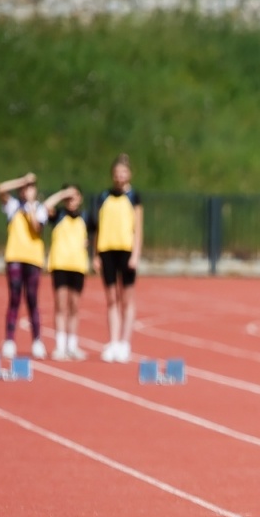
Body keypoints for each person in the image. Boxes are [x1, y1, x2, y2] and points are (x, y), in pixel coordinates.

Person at [94, 154, 142, 363]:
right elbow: (98, 226)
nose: (120, 177)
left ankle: (125, 342)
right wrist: (95, 254)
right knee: (111, 298)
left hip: (126, 250)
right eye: (116, 174)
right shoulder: (104, 196)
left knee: (126, 298)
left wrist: (136, 253)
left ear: (129, 174)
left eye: (123, 173)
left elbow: (138, 227)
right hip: (107, 250)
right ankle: (112, 341)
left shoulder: (134, 197)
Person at [0, 172, 48, 360]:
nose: (27, 191)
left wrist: (31, 206)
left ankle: (37, 340)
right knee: (15, 298)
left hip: (33, 259)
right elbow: (0, 189)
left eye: (30, 187)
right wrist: (21, 180)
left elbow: (36, 227)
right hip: (15, 257)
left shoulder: (40, 209)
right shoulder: (12, 206)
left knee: (32, 299)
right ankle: (9, 340)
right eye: (24, 188)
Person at [43, 184, 92, 361]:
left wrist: (89, 243)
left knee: (74, 306)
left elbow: (97, 233)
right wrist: (62, 193)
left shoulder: (86, 217)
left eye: (75, 196)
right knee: (61, 306)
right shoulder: (58, 215)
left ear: (80, 198)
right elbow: (45, 207)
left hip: (78, 266)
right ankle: (60, 346)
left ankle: (72, 346)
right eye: (68, 197)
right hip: (60, 265)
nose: (72, 200)